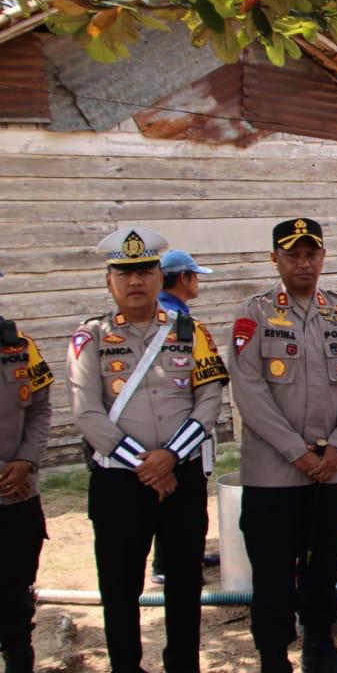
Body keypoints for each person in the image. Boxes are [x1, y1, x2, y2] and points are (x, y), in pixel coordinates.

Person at [68, 226, 228, 673]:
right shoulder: (90, 337)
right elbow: (86, 411)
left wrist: (171, 458)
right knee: (120, 588)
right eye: (124, 273)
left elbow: (209, 400)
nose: (135, 280)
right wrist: (144, 465)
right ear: (109, 281)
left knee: (184, 580)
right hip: (120, 483)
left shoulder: (190, 332)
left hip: (180, 478)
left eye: (144, 270)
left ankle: (184, 671)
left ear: (160, 276)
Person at [226, 218, 337, 673]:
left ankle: (319, 647)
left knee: (324, 566)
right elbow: (249, 392)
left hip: (332, 471)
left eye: (311, 253)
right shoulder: (254, 316)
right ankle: (275, 668)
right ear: (276, 260)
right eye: (292, 254)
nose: (303, 262)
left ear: (323, 257)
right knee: (272, 575)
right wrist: (298, 453)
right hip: (274, 475)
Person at [0, 268, 59, 673]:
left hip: (18, 493)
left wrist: (26, 461)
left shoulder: (18, 345)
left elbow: (40, 409)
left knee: (17, 592)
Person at [152, 249, 216, 585]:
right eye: (195, 277)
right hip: (179, 430)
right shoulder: (175, 320)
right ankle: (167, 565)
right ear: (184, 278)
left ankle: (186, 554)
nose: (197, 283)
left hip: (174, 428)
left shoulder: (173, 313)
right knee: (176, 499)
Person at [158, 250, 211, 317]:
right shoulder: (175, 318)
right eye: (195, 275)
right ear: (184, 278)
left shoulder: (156, 308)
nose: (197, 280)